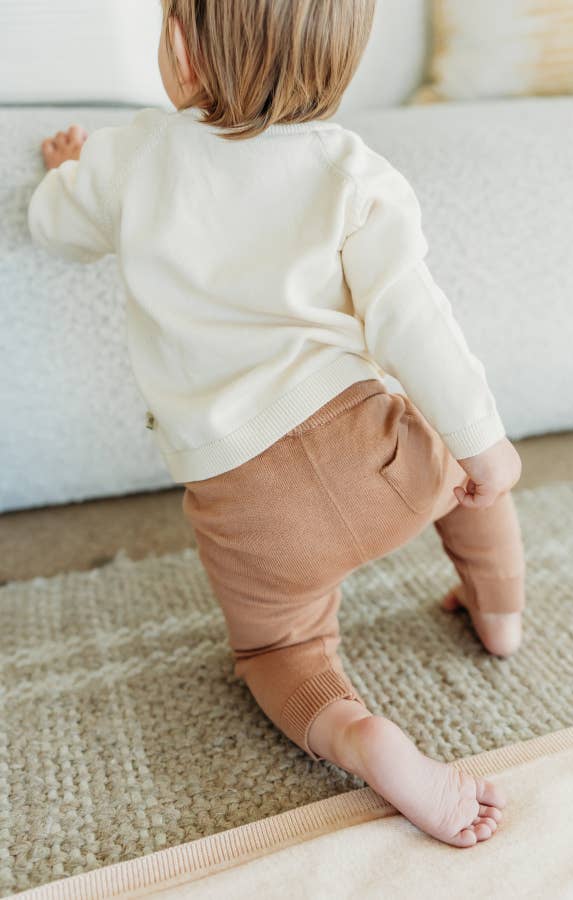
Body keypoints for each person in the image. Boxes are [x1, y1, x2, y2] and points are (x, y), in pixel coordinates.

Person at [29, 0, 525, 849]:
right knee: (469, 474)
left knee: (276, 656)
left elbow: (56, 230)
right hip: (376, 459)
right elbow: (413, 320)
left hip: (248, 509)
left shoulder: (131, 156)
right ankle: (500, 614)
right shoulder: (352, 170)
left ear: (182, 46)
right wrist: (486, 446)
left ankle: (357, 734)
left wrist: (65, 173)